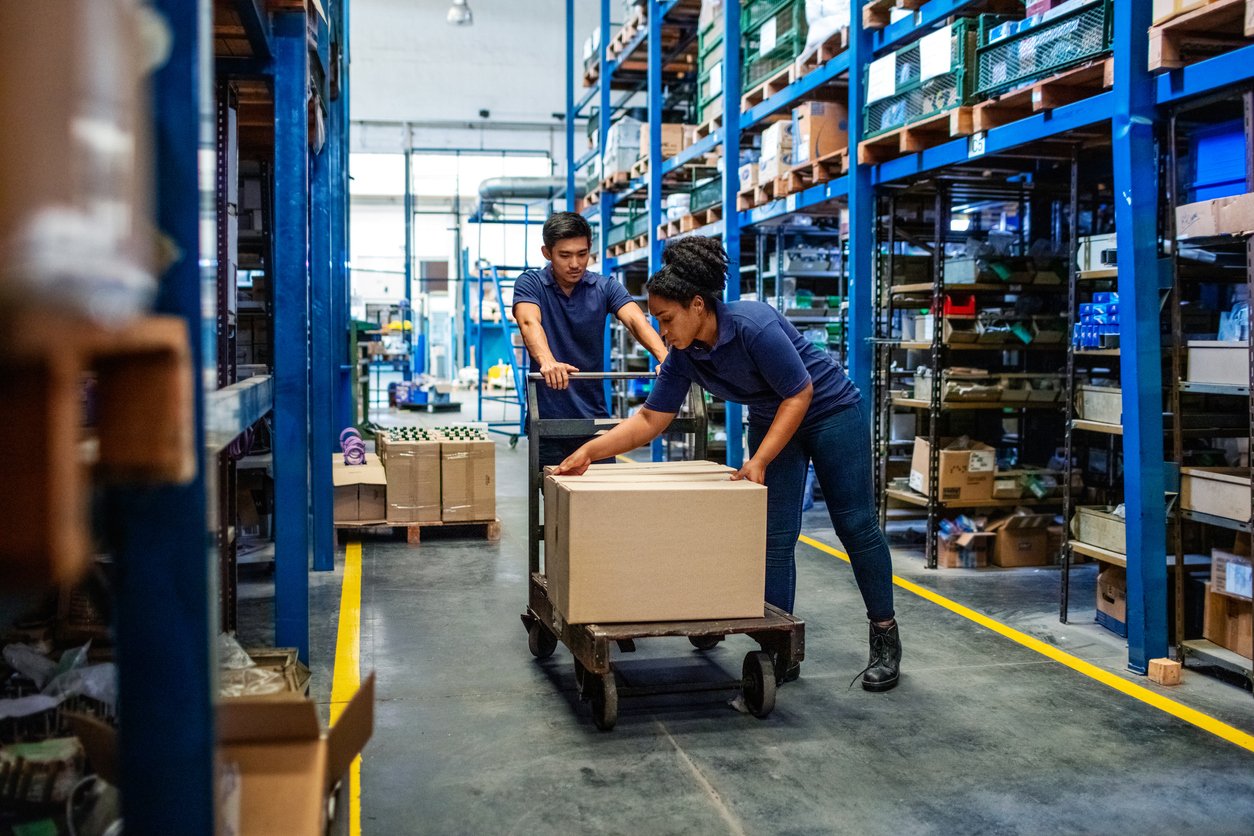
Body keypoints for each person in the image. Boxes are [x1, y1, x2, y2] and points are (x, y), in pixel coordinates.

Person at [554, 237, 900, 691]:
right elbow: (650, 419)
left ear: (697, 305)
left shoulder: (752, 325)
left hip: (829, 412)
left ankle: (885, 636)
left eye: (666, 318)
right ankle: (779, 649)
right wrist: (590, 451)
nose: (661, 330)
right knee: (775, 536)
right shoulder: (683, 356)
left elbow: (800, 393)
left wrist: (757, 461)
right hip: (772, 418)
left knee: (854, 525)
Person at [513, 212, 668, 466]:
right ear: (546, 252)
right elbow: (529, 322)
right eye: (565, 255)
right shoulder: (531, 284)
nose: (575, 263)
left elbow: (635, 321)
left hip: (595, 421)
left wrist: (665, 357)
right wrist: (547, 361)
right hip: (549, 423)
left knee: (600, 499)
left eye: (582, 254)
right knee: (556, 499)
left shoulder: (605, 286)